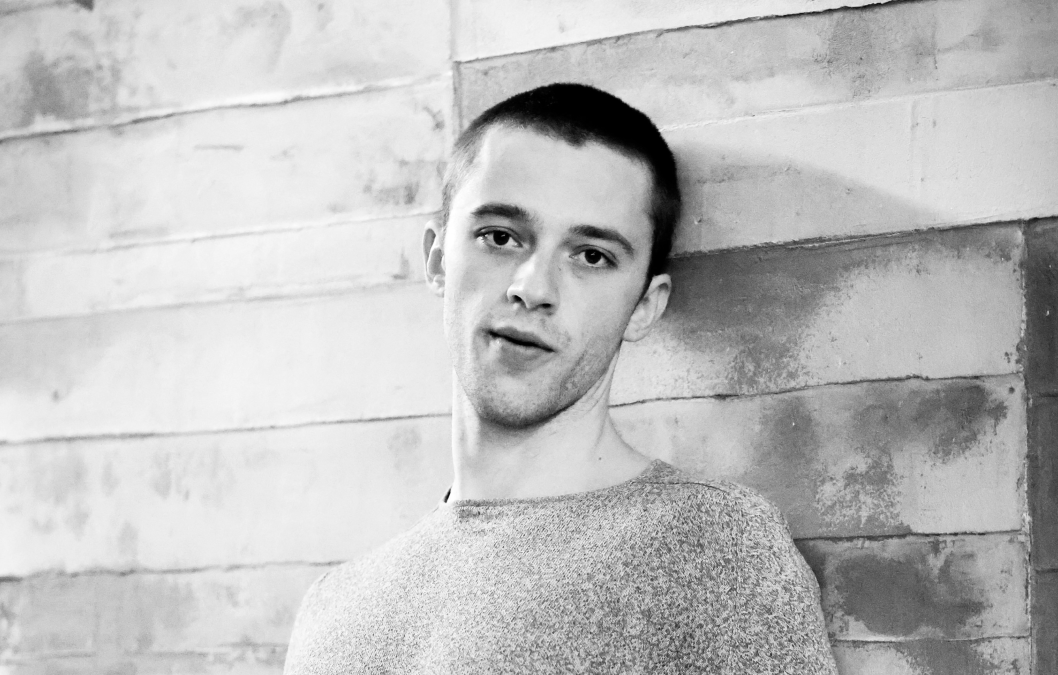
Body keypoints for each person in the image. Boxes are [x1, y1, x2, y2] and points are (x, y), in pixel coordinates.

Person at [283, 83, 838, 674]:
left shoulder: (715, 550)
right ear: (438, 258)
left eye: (591, 255)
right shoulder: (333, 609)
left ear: (645, 305)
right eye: (500, 236)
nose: (533, 287)